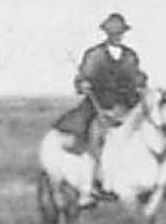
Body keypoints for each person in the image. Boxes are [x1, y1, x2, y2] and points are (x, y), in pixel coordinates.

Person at [53, 12, 148, 200]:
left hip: (126, 107)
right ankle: (88, 190)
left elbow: (137, 76)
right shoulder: (95, 55)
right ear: (107, 33)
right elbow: (83, 78)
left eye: (120, 32)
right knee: (94, 142)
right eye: (113, 32)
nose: (117, 35)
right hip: (100, 107)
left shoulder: (130, 56)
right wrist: (83, 84)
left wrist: (140, 83)